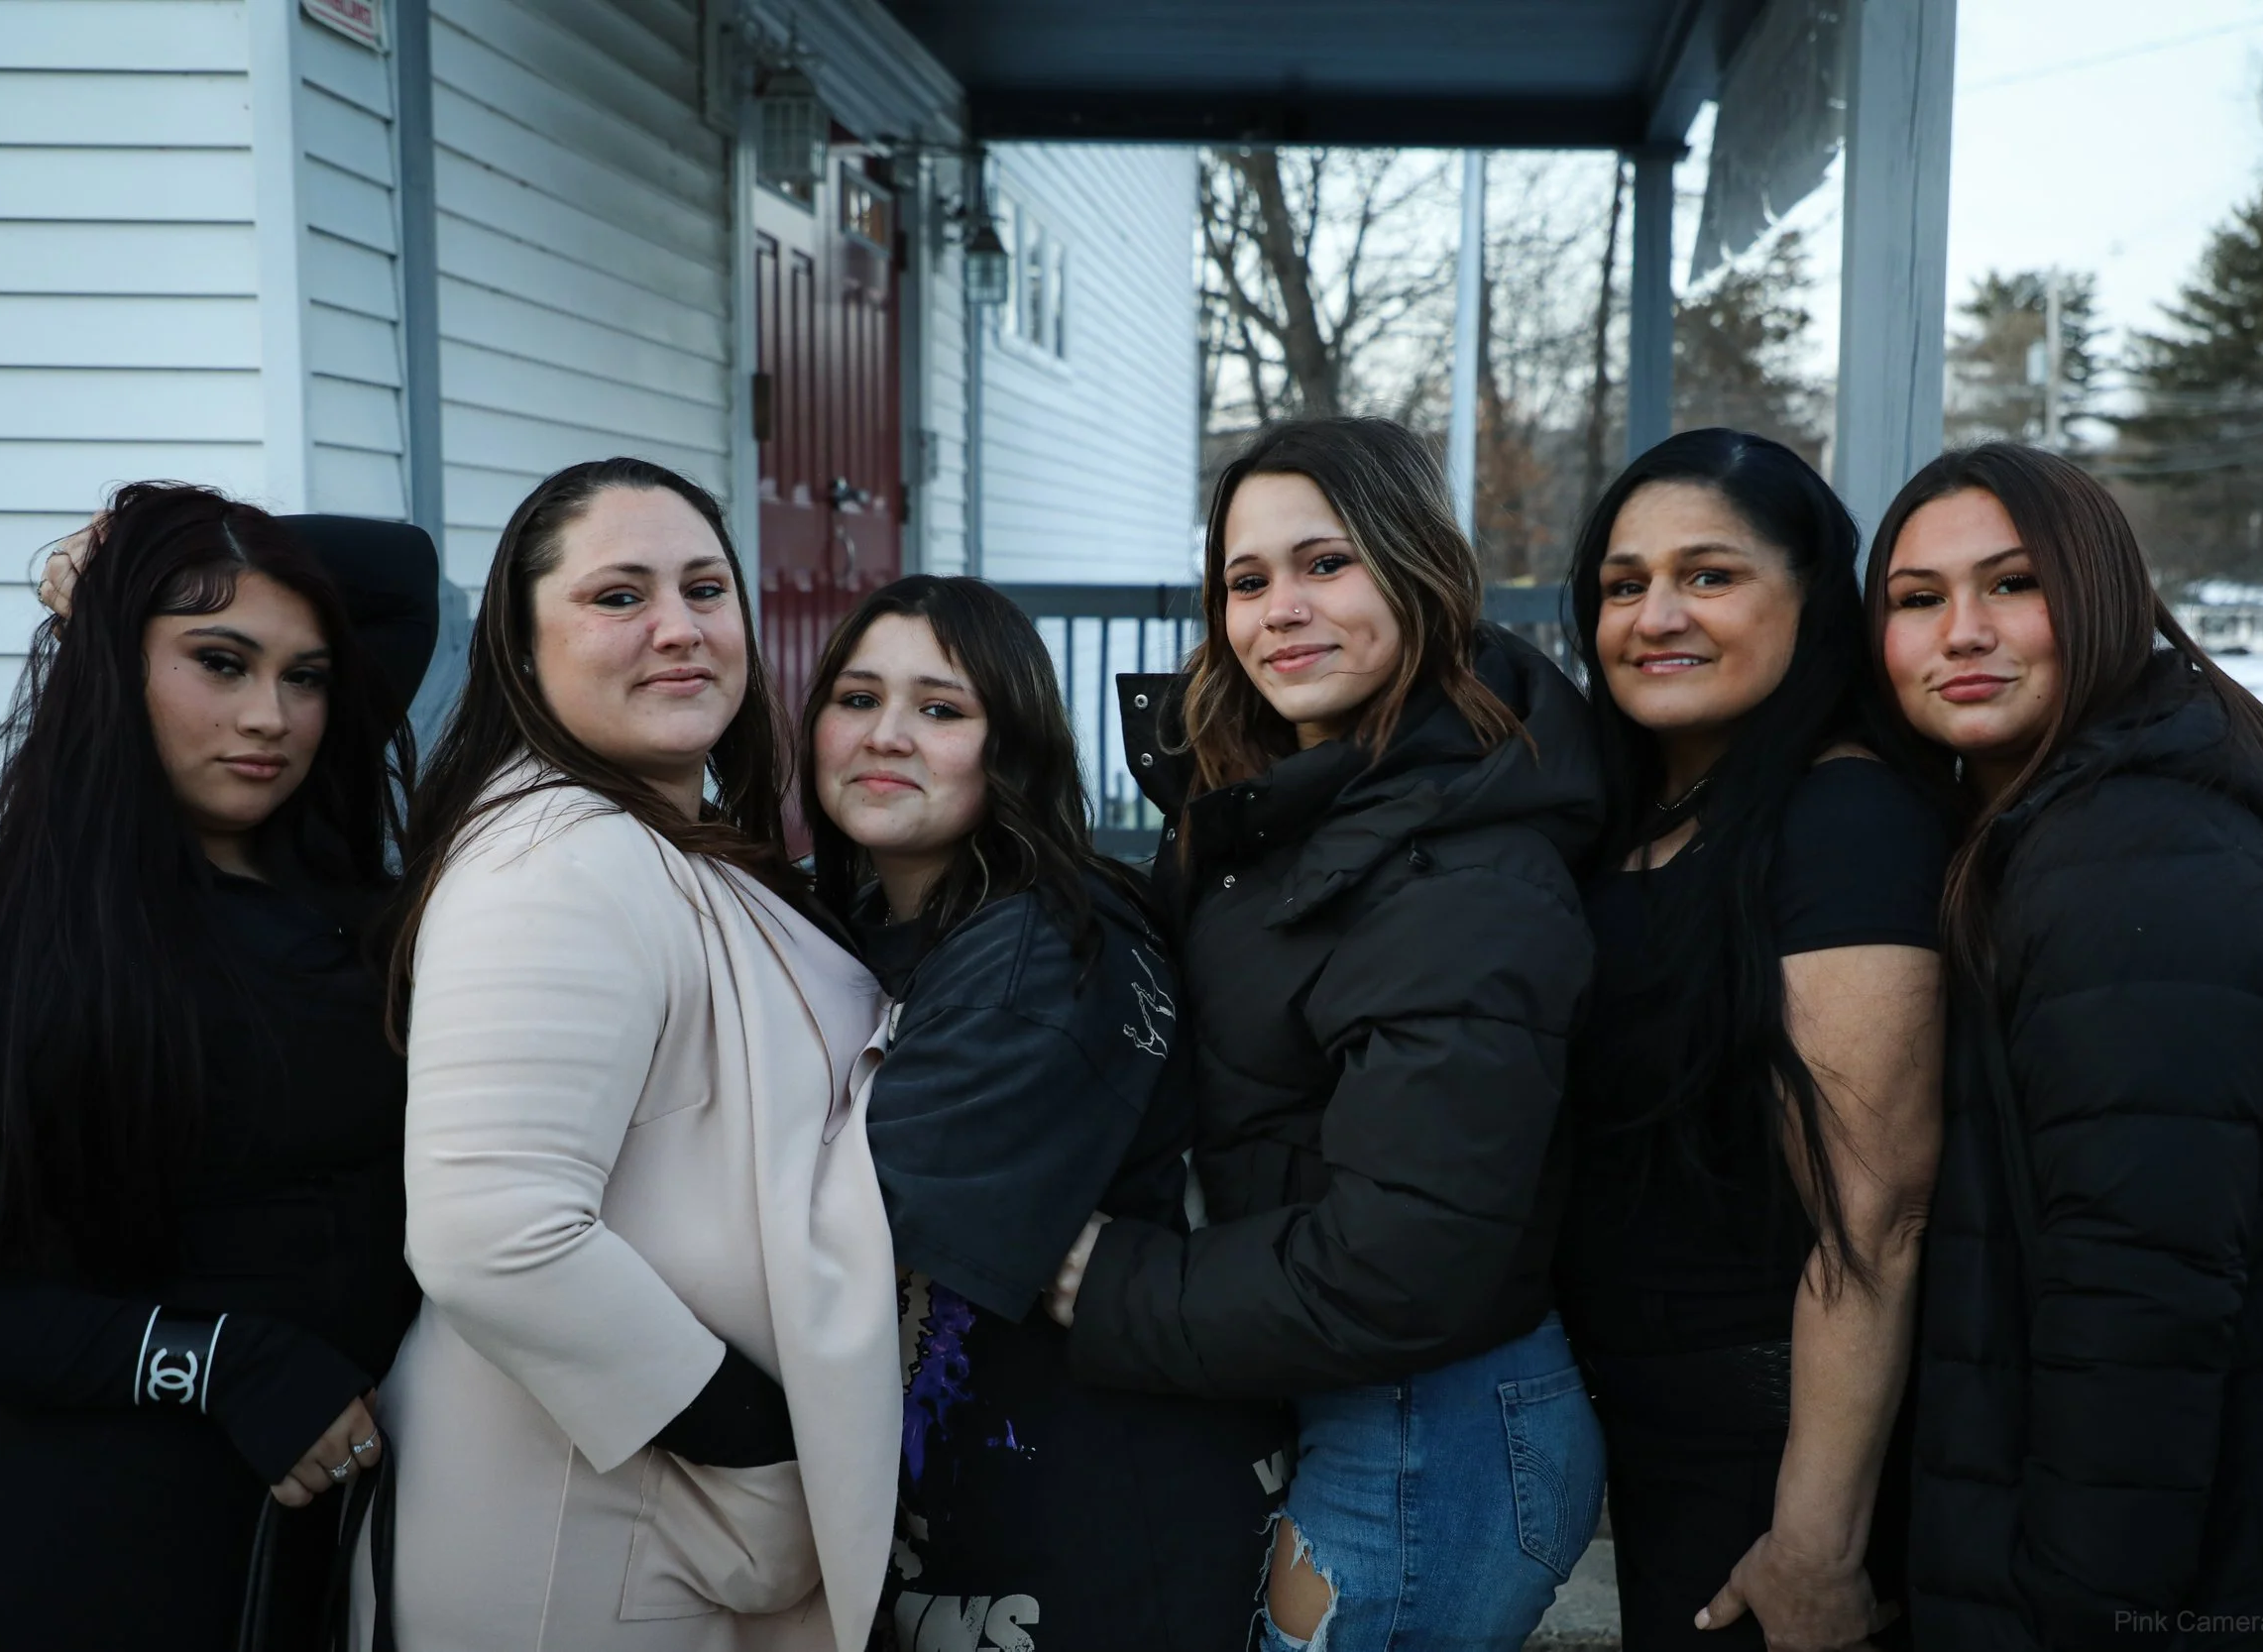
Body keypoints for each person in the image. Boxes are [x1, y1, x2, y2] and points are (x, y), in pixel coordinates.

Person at [1869, 442, 2263, 1648]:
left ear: (2102, 597)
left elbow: (2138, 1301)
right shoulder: (2055, 821)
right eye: (1917, 599)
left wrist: (2084, 1606)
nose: (1962, 631)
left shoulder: (2131, 861)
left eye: (2012, 584)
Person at [1046, 416, 1608, 1651]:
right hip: (1329, 1385)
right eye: (1246, 581)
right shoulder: (1286, 809)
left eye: (1326, 563)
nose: (1279, 610)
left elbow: (1403, 1260)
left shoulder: (1463, 869)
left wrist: (1112, 1282)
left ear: (1419, 569)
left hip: (1426, 1432)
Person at [359, 457, 897, 1651]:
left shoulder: (654, 837)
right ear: (523, 642)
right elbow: (490, 1230)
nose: (680, 628)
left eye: (707, 588)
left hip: (648, 1524)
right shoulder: (553, 857)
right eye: (619, 596)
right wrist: (759, 1447)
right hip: (584, 1528)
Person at [0, 483, 436, 1649]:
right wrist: (219, 1360)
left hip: (355, 1541)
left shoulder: (347, 902)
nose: (271, 715)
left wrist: (130, 561)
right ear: (113, 670)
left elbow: (391, 570)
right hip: (113, 1540)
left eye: (306, 675)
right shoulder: (27, 944)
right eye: (218, 663)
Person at [798, 574, 1287, 1652]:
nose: (886, 735)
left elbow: (853, 1223)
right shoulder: (851, 913)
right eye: (855, 697)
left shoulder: (1048, 948)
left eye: (939, 708)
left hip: (1097, 1510)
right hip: (962, 1501)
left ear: (1010, 743)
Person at [1552, 430, 1945, 1652]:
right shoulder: (1630, 813)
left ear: (1811, 600)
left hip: (1768, 1457)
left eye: (1709, 576)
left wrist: (1815, 1541)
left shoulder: (1848, 820)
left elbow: (1870, 1220)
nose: (1656, 614)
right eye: (1624, 584)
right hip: (1648, 1429)